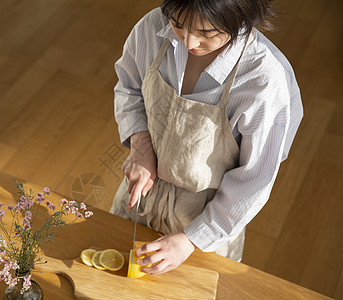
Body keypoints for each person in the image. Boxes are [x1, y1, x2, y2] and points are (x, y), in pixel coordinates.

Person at [110, 0, 303, 275]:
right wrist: (141, 146)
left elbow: (255, 180)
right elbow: (129, 88)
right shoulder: (151, 28)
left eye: (208, 33)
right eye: (177, 23)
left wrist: (190, 240)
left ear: (242, 18)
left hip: (204, 228)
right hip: (138, 201)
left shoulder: (264, 79)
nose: (189, 42)